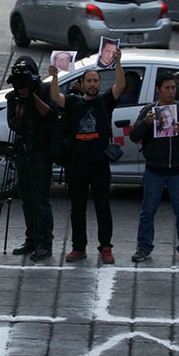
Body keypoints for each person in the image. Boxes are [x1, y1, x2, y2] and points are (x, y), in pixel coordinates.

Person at [49, 50, 125, 264]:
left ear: (100, 83)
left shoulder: (105, 102)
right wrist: (54, 76)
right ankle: (78, 247)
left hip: (100, 164)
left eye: (96, 80)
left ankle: (106, 247)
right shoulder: (73, 103)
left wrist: (118, 63)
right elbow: (55, 97)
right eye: (89, 81)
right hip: (77, 164)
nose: (93, 84)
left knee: (103, 207)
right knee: (77, 208)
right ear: (82, 84)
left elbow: (120, 86)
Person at [129, 73, 179, 263]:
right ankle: (144, 247)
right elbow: (133, 135)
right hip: (154, 170)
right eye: (167, 88)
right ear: (158, 90)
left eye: (173, 88)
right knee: (148, 211)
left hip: (177, 169)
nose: (171, 92)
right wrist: (146, 123)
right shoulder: (149, 111)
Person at [6, 56, 57, 262]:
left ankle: (45, 243)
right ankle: (31, 239)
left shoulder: (44, 91)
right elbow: (13, 125)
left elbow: (51, 114)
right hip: (22, 151)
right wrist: (20, 102)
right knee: (26, 199)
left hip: (41, 152)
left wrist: (32, 96)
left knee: (41, 200)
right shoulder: (13, 96)